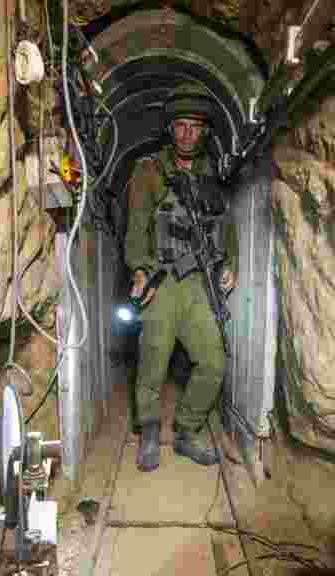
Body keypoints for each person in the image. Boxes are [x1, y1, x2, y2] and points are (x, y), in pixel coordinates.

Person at [123, 82, 238, 472]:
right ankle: (150, 432)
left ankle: (188, 430)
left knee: (214, 362)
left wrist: (231, 263)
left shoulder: (211, 175)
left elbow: (226, 223)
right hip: (162, 280)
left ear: (204, 131)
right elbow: (136, 225)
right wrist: (139, 268)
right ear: (170, 129)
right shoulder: (149, 171)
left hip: (198, 283)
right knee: (152, 362)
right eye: (180, 126)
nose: (187, 133)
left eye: (195, 126)